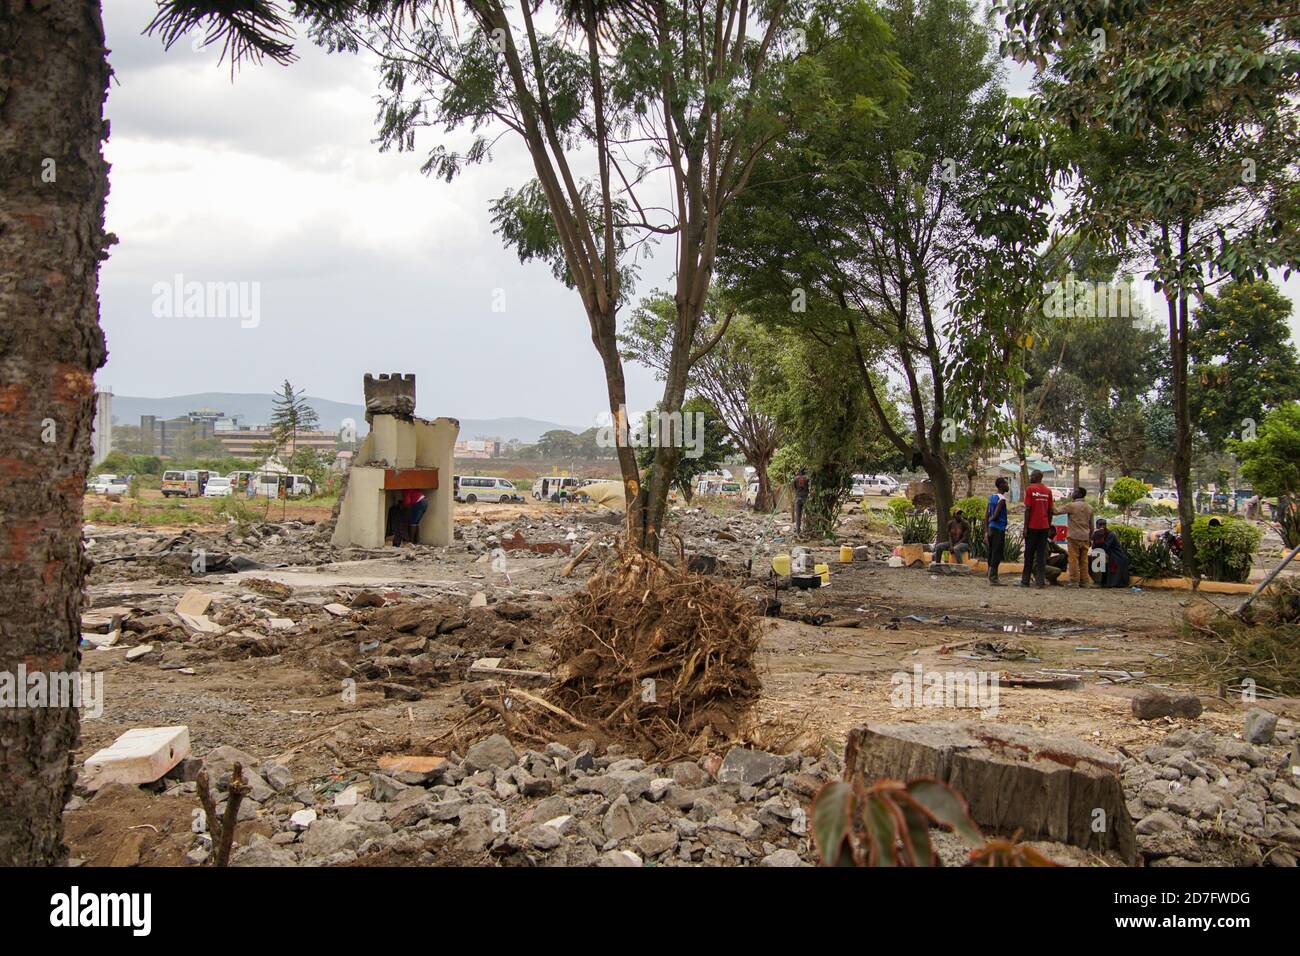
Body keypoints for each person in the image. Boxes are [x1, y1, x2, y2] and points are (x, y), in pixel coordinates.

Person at [1019, 469, 1054, 588]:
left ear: (1036, 477)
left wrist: (1025, 527)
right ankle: (1040, 582)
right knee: (1041, 555)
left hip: (1032, 527)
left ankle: (1025, 581)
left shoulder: (1030, 489)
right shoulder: (1048, 491)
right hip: (1044, 527)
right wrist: (1048, 525)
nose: (1030, 477)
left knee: (1028, 554)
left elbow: (1028, 509)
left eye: (1032, 475)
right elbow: (1050, 511)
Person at [1058, 487, 1095, 588]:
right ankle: (1085, 581)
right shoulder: (1089, 507)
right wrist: (1090, 538)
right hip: (1085, 537)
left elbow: (1056, 511)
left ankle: (1074, 581)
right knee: (1084, 560)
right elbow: (1092, 525)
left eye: (1074, 492)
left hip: (1073, 536)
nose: (1072, 493)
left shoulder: (1071, 506)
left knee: (1073, 559)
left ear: (1079, 494)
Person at [984, 477, 1010, 585]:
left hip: (991, 529)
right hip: (998, 528)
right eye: (1006, 483)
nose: (1007, 485)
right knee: (997, 552)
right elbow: (995, 515)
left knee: (991, 552)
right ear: (1001, 485)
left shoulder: (991, 497)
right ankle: (993, 577)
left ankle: (990, 574)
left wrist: (986, 530)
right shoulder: (1001, 499)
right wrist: (992, 520)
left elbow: (986, 515)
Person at [1090, 519, 1131, 587]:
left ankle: (1098, 582)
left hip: (1116, 555)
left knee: (1098, 555)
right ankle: (1097, 579)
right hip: (1107, 554)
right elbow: (1094, 546)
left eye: (1103, 524)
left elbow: (1104, 547)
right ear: (1097, 525)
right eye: (1100, 525)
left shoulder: (1110, 534)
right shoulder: (1097, 534)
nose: (1102, 526)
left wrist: (1099, 538)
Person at [791, 467, 810, 535]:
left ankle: (798, 530)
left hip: (798, 498)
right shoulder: (807, 478)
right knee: (808, 514)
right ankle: (808, 528)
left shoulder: (795, 479)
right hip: (805, 498)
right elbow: (809, 487)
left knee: (798, 515)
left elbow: (794, 488)